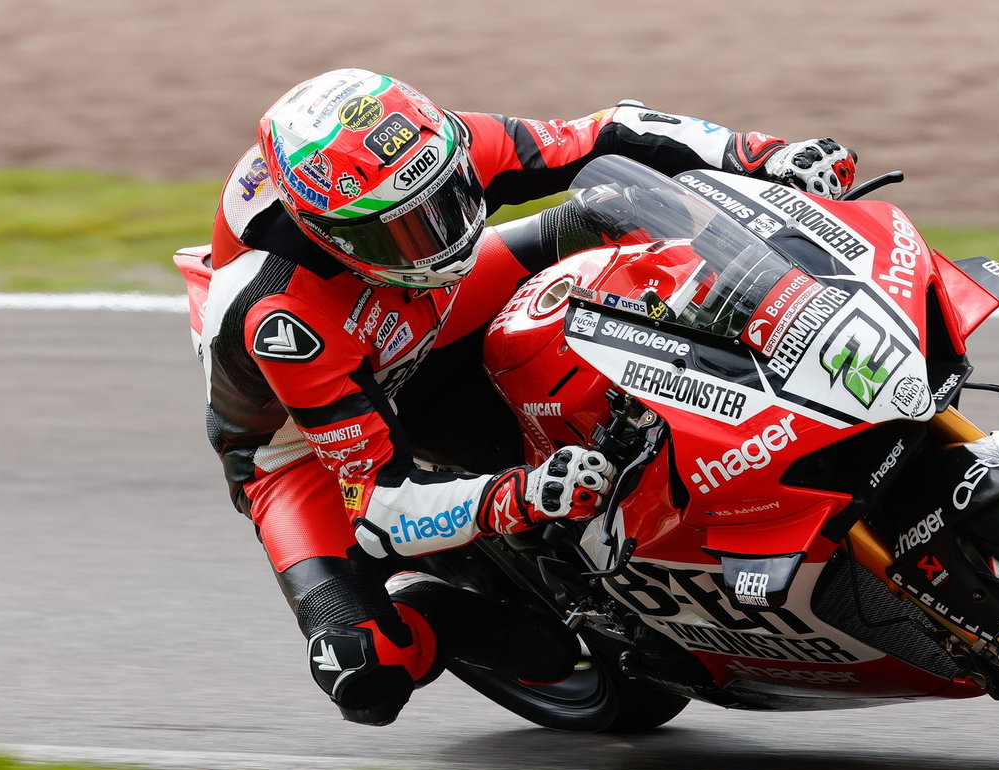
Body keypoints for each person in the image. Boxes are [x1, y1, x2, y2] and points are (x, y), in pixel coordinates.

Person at [194, 67, 857, 726]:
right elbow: (380, 505)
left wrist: (766, 156)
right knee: (362, 665)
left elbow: (606, 131)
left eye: (445, 199)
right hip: (299, 447)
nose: (437, 237)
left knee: (617, 208)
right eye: (399, 231)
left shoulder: (434, 147)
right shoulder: (282, 317)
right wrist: (526, 493)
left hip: (424, 308)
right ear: (328, 234)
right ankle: (450, 616)